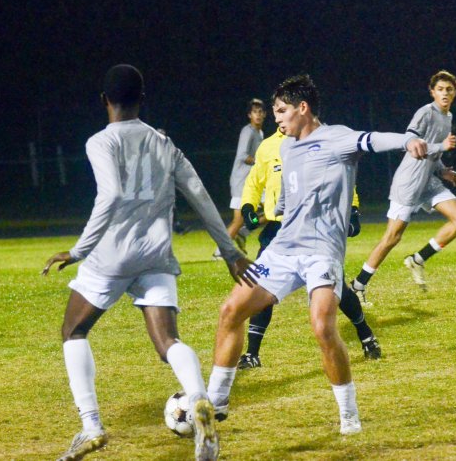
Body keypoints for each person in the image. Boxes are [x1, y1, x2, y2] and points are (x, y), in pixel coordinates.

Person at [205, 74, 453, 435]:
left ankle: (349, 417)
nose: (277, 118)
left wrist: (409, 140)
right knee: (231, 310)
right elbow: (290, 198)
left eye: (282, 111)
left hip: (322, 253)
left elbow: (372, 139)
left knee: (322, 325)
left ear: (302, 109)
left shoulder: (336, 138)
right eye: (275, 112)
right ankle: (215, 404)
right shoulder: (286, 147)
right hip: (284, 248)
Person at [42, 64, 250, 461]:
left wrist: (79, 250)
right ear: (143, 100)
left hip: (112, 256)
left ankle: (91, 427)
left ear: (104, 101)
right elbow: (199, 195)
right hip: (155, 252)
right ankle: (200, 400)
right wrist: (230, 251)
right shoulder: (164, 143)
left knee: (73, 331)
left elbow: (110, 194)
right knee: (167, 340)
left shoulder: (101, 142)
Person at [236, 125, 381, 370]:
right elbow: (254, 181)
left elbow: (343, 175)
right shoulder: (268, 146)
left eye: (286, 109)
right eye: (278, 110)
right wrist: (248, 206)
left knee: (336, 289)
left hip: (314, 227)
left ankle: (366, 335)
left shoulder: (322, 139)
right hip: (277, 231)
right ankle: (252, 354)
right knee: (261, 288)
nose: (282, 116)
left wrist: (353, 210)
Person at [350, 70, 456, 300]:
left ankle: (418, 259)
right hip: (409, 182)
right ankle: (358, 284)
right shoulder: (425, 112)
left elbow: (433, 150)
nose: (445, 93)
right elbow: (410, 144)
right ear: (432, 91)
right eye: (440, 89)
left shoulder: (448, 117)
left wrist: (443, 170)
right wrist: (441, 147)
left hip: (429, 181)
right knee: (392, 238)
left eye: (449, 89)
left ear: (455, 93)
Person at [212, 99, 266, 260]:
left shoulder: (260, 133)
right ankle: (220, 251)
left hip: (253, 181)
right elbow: (243, 156)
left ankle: (245, 231)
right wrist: (262, 163)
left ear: (265, 114)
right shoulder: (247, 131)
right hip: (241, 181)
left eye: (261, 112)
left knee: (273, 209)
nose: (258, 115)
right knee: (238, 220)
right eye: (255, 112)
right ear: (249, 115)